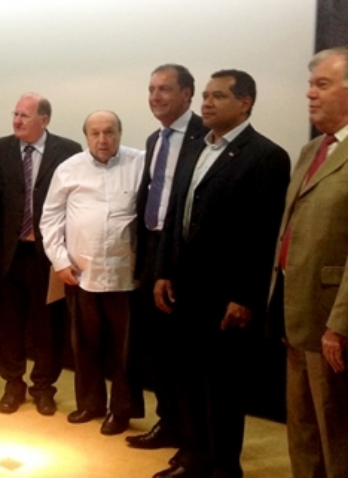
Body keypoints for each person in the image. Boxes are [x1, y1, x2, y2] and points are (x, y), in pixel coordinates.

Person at [153, 70, 290, 478]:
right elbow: (176, 213)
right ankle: (193, 456)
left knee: (223, 388)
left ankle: (224, 467)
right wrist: (163, 270)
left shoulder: (266, 156)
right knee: (187, 378)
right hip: (184, 288)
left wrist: (245, 296)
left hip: (226, 294)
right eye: (206, 96)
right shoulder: (197, 146)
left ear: (245, 103)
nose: (206, 103)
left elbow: (263, 235)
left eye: (218, 96)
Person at [269, 46, 348, 478]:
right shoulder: (313, 148)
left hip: (333, 319)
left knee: (339, 437)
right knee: (303, 430)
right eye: (311, 84)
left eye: (322, 84)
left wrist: (339, 324)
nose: (310, 93)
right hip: (296, 311)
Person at [40, 110, 144, 435]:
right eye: (95, 133)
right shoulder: (69, 169)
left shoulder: (140, 164)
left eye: (109, 132)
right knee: (84, 345)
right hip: (81, 274)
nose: (103, 139)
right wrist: (60, 261)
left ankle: (121, 411)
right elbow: (50, 218)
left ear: (120, 133)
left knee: (125, 351)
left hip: (126, 276)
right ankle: (90, 403)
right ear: (86, 136)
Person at [0, 93, 81, 415]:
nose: (17, 120)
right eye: (15, 114)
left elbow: (74, 205)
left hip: (49, 255)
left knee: (48, 325)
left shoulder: (68, 151)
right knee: (9, 324)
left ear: (44, 119)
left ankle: (43, 387)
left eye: (25, 115)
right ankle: (13, 384)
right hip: (9, 253)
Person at [126, 64, 207, 450]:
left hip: (184, 254)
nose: (155, 97)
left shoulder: (205, 136)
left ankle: (191, 434)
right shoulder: (154, 139)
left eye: (164, 89)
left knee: (183, 351)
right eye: (151, 89)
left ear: (187, 94)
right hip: (152, 249)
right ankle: (168, 422)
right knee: (157, 346)